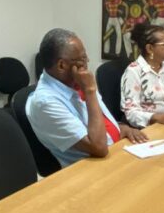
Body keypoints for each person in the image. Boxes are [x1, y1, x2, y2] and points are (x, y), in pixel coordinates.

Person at [28, 28, 147, 168]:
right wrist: (90, 91)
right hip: (91, 169)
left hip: (116, 151)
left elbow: (98, 121)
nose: (87, 62)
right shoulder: (45, 102)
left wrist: (121, 128)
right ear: (62, 65)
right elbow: (99, 147)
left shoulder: (75, 82)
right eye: (82, 59)